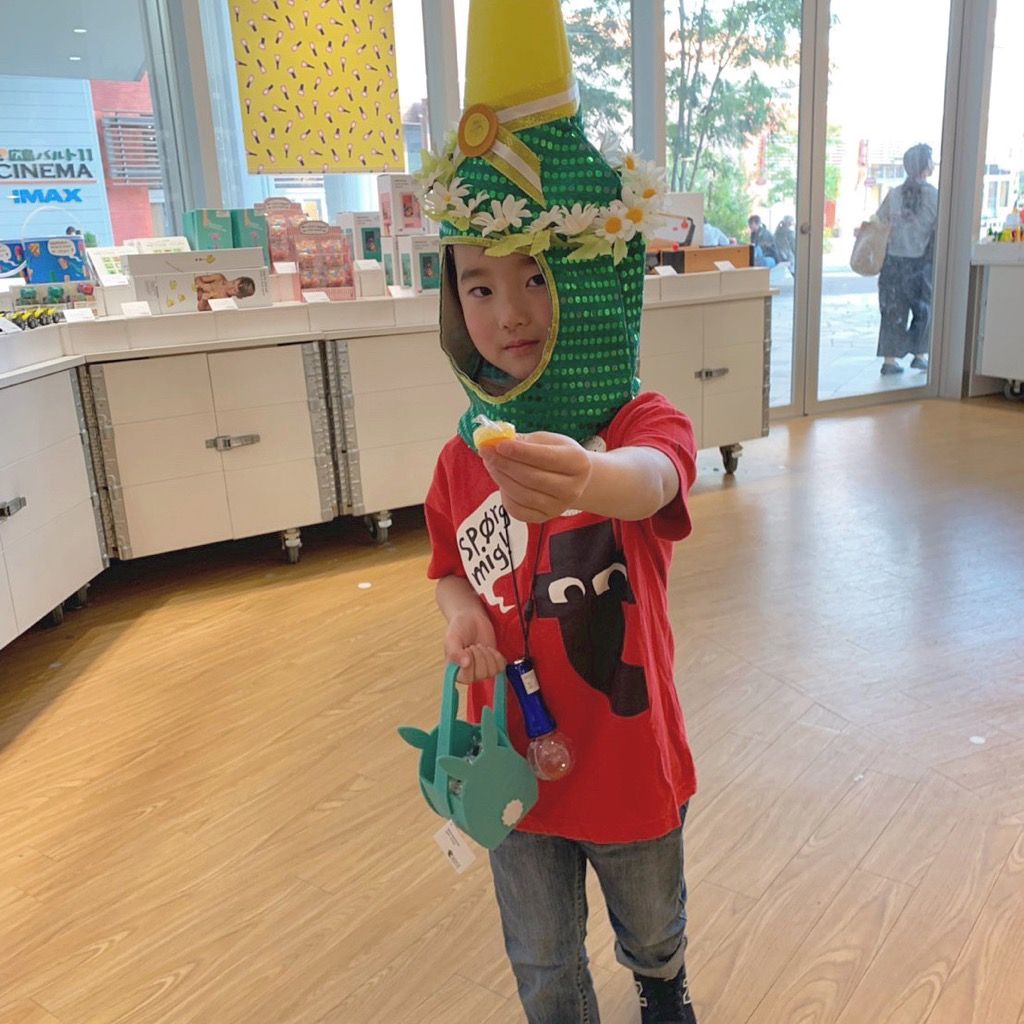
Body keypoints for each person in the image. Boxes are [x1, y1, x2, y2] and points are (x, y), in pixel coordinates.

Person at [418, 3, 699, 1022]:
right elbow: (450, 565)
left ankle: (664, 988)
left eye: (536, 274)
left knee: (650, 923)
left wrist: (585, 477)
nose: (509, 313)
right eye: (479, 286)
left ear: (585, 277)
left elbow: (653, 478)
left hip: (623, 750)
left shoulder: (637, 422)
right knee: (540, 959)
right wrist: (460, 614)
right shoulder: (465, 452)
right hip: (512, 762)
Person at [873, 143, 938, 375]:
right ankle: (919, 355)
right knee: (924, 310)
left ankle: (889, 361)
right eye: (931, 160)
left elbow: (879, 221)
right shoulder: (935, 196)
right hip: (921, 263)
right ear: (926, 166)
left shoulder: (894, 194)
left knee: (892, 311)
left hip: (892, 262)